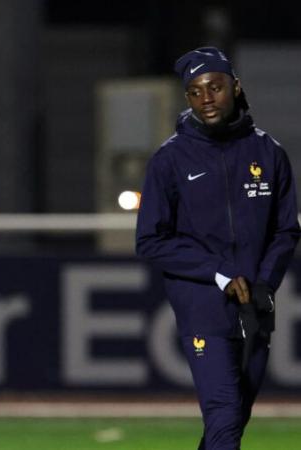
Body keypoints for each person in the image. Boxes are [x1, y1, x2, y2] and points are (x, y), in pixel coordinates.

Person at [136, 47, 299, 449]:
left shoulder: (269, 153)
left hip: (257, 308)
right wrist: (218, 272)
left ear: (235, 87)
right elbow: (150, 241)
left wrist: (265, 282)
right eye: (194, 91)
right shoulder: (170, 160)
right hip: (202, 307)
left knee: (231, 422)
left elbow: (286, 230)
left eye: (215, 87)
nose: (206, 98)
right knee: (225, 415)